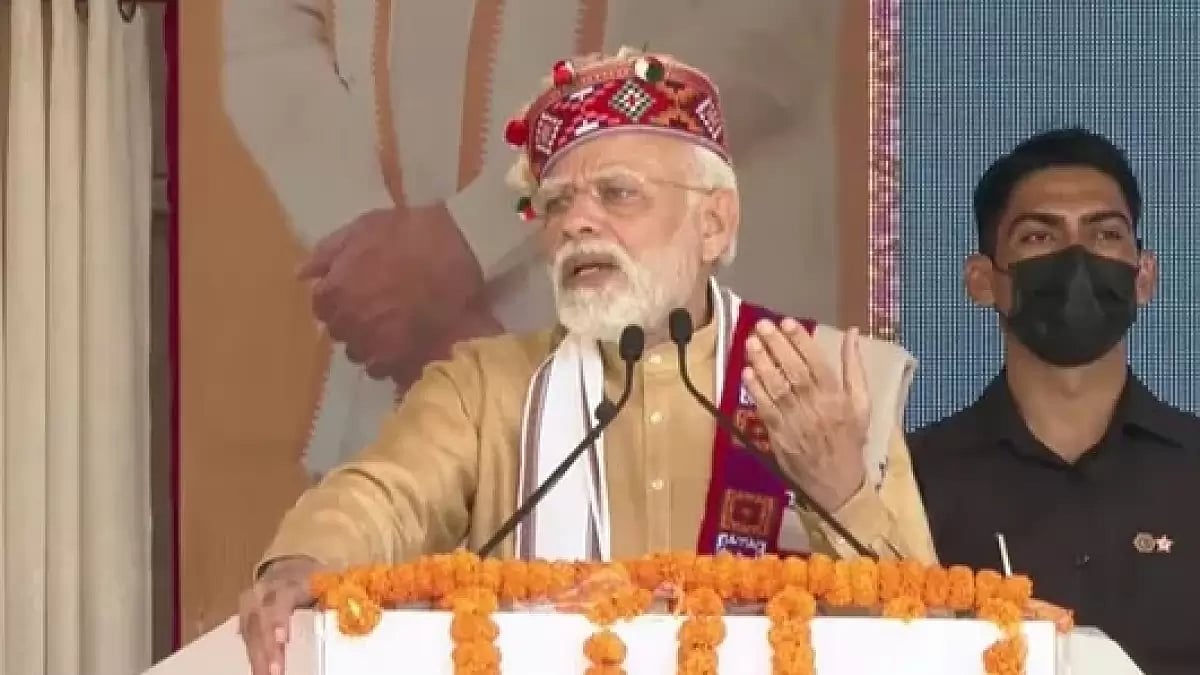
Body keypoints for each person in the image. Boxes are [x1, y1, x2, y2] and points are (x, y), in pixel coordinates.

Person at [236, 50, 937, 674]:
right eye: (557, 202)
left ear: (715, 223)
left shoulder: (828, 377)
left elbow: (931, 637)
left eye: (618, 194)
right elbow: (380, 498)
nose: (577, 222)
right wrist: (309, 561)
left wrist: (841, 491)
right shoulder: (485, 388)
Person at [221, 0, 847, 477]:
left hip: (669, 371)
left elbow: (769, 29)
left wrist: (467, 239)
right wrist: (379, 259)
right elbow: (266, 32)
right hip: (403, 367)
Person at [909, 128, 1200, 675]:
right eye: (1039, 238)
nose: (1077, 258)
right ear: (981, 280)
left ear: (1144, 277)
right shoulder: (912, 483)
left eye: (1106, 234)